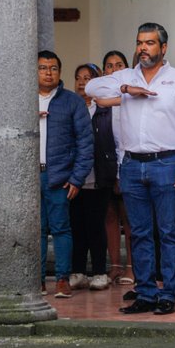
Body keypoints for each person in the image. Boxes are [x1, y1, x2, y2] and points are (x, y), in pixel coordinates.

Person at [86, 23, 175, 315]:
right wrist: (125, 88)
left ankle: (168, 294)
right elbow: (91, 87)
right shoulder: (125, 76)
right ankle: (146, 293)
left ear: (163, 48)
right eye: (140, 42)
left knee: (167, 232)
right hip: (133, 165)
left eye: (150, 43)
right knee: (138, 232)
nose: (143, 48)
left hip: (168, 162)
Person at [35, 51, 93, 298]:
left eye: (53, 68)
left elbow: (86, 143)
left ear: (59, 72)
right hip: (28, 177)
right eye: (43, 68)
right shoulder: (23, 100)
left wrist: (77, 178)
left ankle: (61, 279)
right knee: (34, 230)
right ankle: (35, 280)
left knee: (60, 228)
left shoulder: (72, 101)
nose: (48, 73)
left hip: (59, 176)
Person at [69, 63, 114, 291]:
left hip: (99, 175)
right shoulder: (70, 108)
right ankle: (77, 271)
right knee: (76, 225)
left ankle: (99, 271)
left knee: (96, 225)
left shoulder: (106, 110)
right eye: (78, 77)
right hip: (74, 176)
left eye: (87, 77)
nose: (82, 82)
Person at [100, 50, 134, 285]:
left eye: (119, 64)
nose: (115, 69)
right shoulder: (99, 101)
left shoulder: (132, 98)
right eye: (110, 66)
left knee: (129, 219)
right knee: (110, 216)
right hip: (105, 166)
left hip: (129, 164)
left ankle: (132, 268)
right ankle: (114, 266)